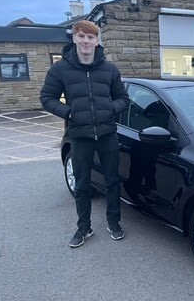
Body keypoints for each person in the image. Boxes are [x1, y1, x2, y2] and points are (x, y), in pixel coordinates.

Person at [40, 20, 129, 248]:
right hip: (79, 136)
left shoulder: (109, 69)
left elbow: (123, 99)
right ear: (74, 39)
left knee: (112, 182)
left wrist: (110, 108)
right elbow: (47, 98)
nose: (86, 41)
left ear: (97, 41)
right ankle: (84, 228)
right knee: (82, 185)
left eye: (90, 37)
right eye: (82, 36)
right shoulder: (60, 69)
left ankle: (114, 223)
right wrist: (68, 112)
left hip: (107, 134)